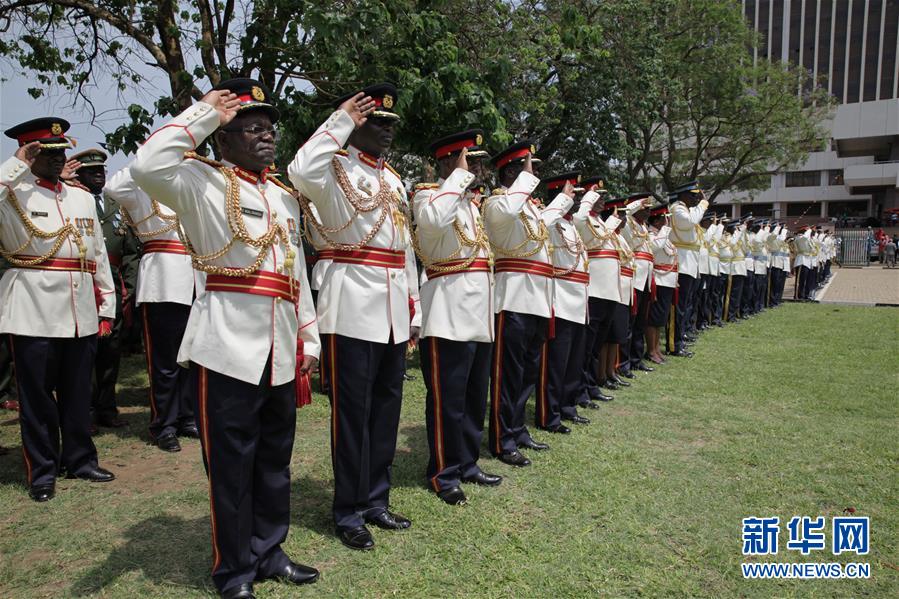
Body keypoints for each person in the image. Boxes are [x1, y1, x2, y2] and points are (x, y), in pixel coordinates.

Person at [131, 78, 321, 598]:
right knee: (231, 464)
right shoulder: (198, 181)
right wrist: (205, 111)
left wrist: (310, 336)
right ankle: (234, 569)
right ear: (222, 137)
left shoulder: (282, 196)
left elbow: (294, 271)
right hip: (227, 343)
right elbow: (145, 167)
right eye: (251, 128)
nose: (266, 136)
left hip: (281, 343)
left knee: (274, 459)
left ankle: (270, 549)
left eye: (269, 128)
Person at [289, 83, 421, 551]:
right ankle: (347, 510)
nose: (385, 131)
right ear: (355, 124)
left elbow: (403, 249)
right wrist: (341, 118)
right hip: (348, 305)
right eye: (375, 121)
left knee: (386, 409)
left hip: (389, 306)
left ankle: (375, 500)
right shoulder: (333, 169)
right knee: (352, 414)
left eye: (389, 123)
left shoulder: (395, 180)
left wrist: (414, 307)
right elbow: (299, 168)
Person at [1, 117, 117, 502]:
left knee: (77, 391)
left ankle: (80, 459)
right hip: (33, 306)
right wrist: (16, 163)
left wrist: (107, 303)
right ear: (28, 153)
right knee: (36, 396)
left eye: (60, 152)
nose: (56, 159)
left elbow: (97, 252)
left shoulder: (80, 196)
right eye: (45, 153)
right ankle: (43, 471)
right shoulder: (13, 192)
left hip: (80, 305)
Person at [411, 130, 502, 506]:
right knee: (447, 399)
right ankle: (443, 471)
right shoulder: (428, 196)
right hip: (447, 314)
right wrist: (458, 177)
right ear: (450, 161)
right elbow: (431, 225)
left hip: (477, 314)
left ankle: (467, 461)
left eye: (477, 162)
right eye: (470, 160)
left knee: (473, 396)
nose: (476, 169)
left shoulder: (468, 204)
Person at [484, 141, 572, 466]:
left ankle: (517, 429)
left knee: (527, 373)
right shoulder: (497, 203)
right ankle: (501, 438)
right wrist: (526, 176)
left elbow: (545, 218)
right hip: (512, 298)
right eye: (528, 167)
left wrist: (565, 197)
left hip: (536, 299)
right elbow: (509, 210)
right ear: (511, 171)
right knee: (508, 374)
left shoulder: (529, 208)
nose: (534, 175)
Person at [104, 163, 202, 452]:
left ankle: (187, 416)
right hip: (163, 280)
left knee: (192, 356)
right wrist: (148, 157)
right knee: (164, 361)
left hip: (198, 278)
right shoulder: (143, 190)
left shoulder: (190, 188)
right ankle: (164, 424)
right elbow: (113, 187)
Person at [68, 149, 141, 431]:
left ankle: (106, 408)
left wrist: (129, 287)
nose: (99, 175)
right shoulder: (72, 202)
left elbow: (132, 250)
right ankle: (83, 411)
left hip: (114, 285)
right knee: (84, 354)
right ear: (80, 175)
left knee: (110, 352)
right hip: (84, 284)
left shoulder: (117, 205)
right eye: (92, 171)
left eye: (102, 171)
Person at [535, 172, 590, 434]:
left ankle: (567, 406)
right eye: (573, 194)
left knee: (572, 361)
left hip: (578, 299)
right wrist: (560, 201)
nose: (577, 200)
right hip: (560, 297)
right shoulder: (549, 219)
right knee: (554, 364)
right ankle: (549, 414)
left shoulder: (570, 226)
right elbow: (541, 226)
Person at [667, 181, 708, 356]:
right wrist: (704, 204)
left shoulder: (686, 209)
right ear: (683, 195)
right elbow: (689, 222)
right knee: (679, 306)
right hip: (681, 264)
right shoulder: (677, 209)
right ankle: (674, 344)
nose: (696, 198)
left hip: (690, 263)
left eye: (697, 195)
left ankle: (680, 339)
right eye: (693, 195)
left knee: (685, 304)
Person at [619, 194, 655, 375]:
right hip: (635, 277)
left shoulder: (643, 226)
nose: (649, 212)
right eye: (645, 208)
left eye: (649, 209)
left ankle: (636, 358)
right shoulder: (628, 223)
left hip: (646, 278)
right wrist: (635, 204)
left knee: (640, 321)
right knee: (629, 323)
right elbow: (625, 213)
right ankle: (624, 362)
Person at [645, 201, 676, 363]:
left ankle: (656, 349)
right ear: (657, 221)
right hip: (658, 279)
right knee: (654, 318)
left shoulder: (665, 236)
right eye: (665, 218)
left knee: (661, 319)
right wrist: (665, 229)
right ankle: (651, 350)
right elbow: (655, 247)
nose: (668, 221)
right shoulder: (652, 235)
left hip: (668, 280)